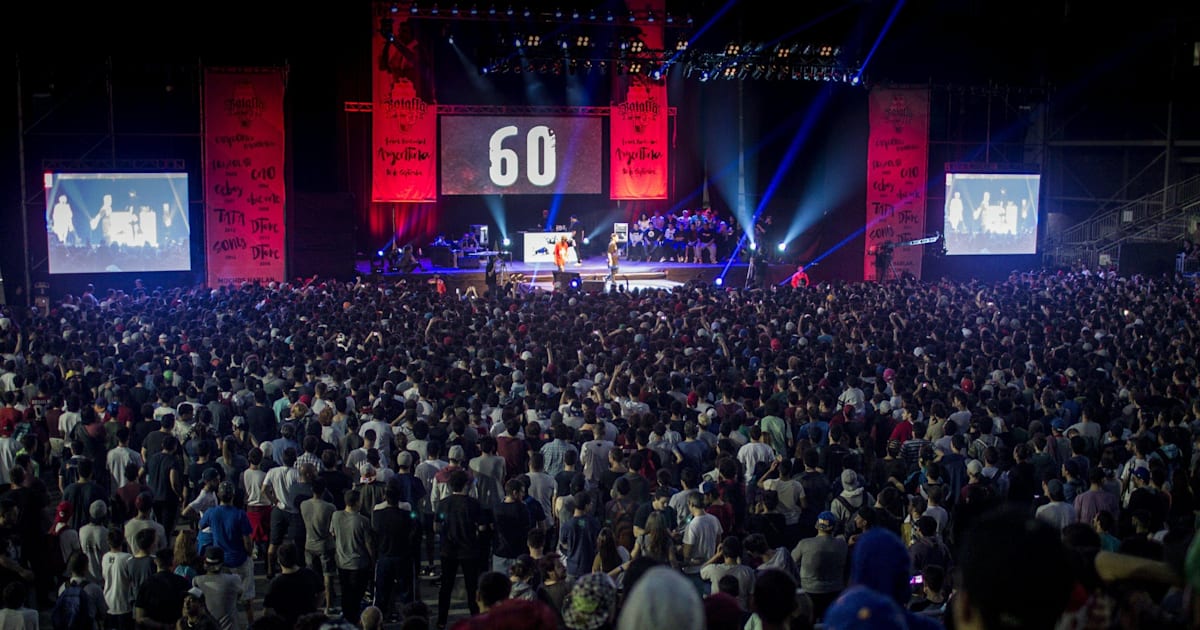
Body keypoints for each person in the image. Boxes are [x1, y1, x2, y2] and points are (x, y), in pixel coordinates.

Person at [436, 469, 490, 628]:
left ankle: (441, 620)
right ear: (466, 484)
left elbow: (436, 526)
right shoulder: (473, 504)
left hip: (448, 550)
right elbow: (482, 527)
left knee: (446, 587)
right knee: (472, 587)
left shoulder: (443, 503)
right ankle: (476, 618)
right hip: (469, 550)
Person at [331, 488, 374, 624]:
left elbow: (333, 533)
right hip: (359, 563)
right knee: (357, 594)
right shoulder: (363, 521)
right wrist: (373, 560)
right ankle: (354, 619)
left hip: (342, 561)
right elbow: (368, 544)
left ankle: (347, 617)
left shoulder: (336, 516)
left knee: (345, 592)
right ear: (356, 503)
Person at [261, 542, 324, 628]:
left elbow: (267, 611)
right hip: (307, 623)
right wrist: (314, 606)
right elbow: (321, 593)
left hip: (286, 624)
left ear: (279, 561)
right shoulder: (310, 574)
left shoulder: (275, 583)